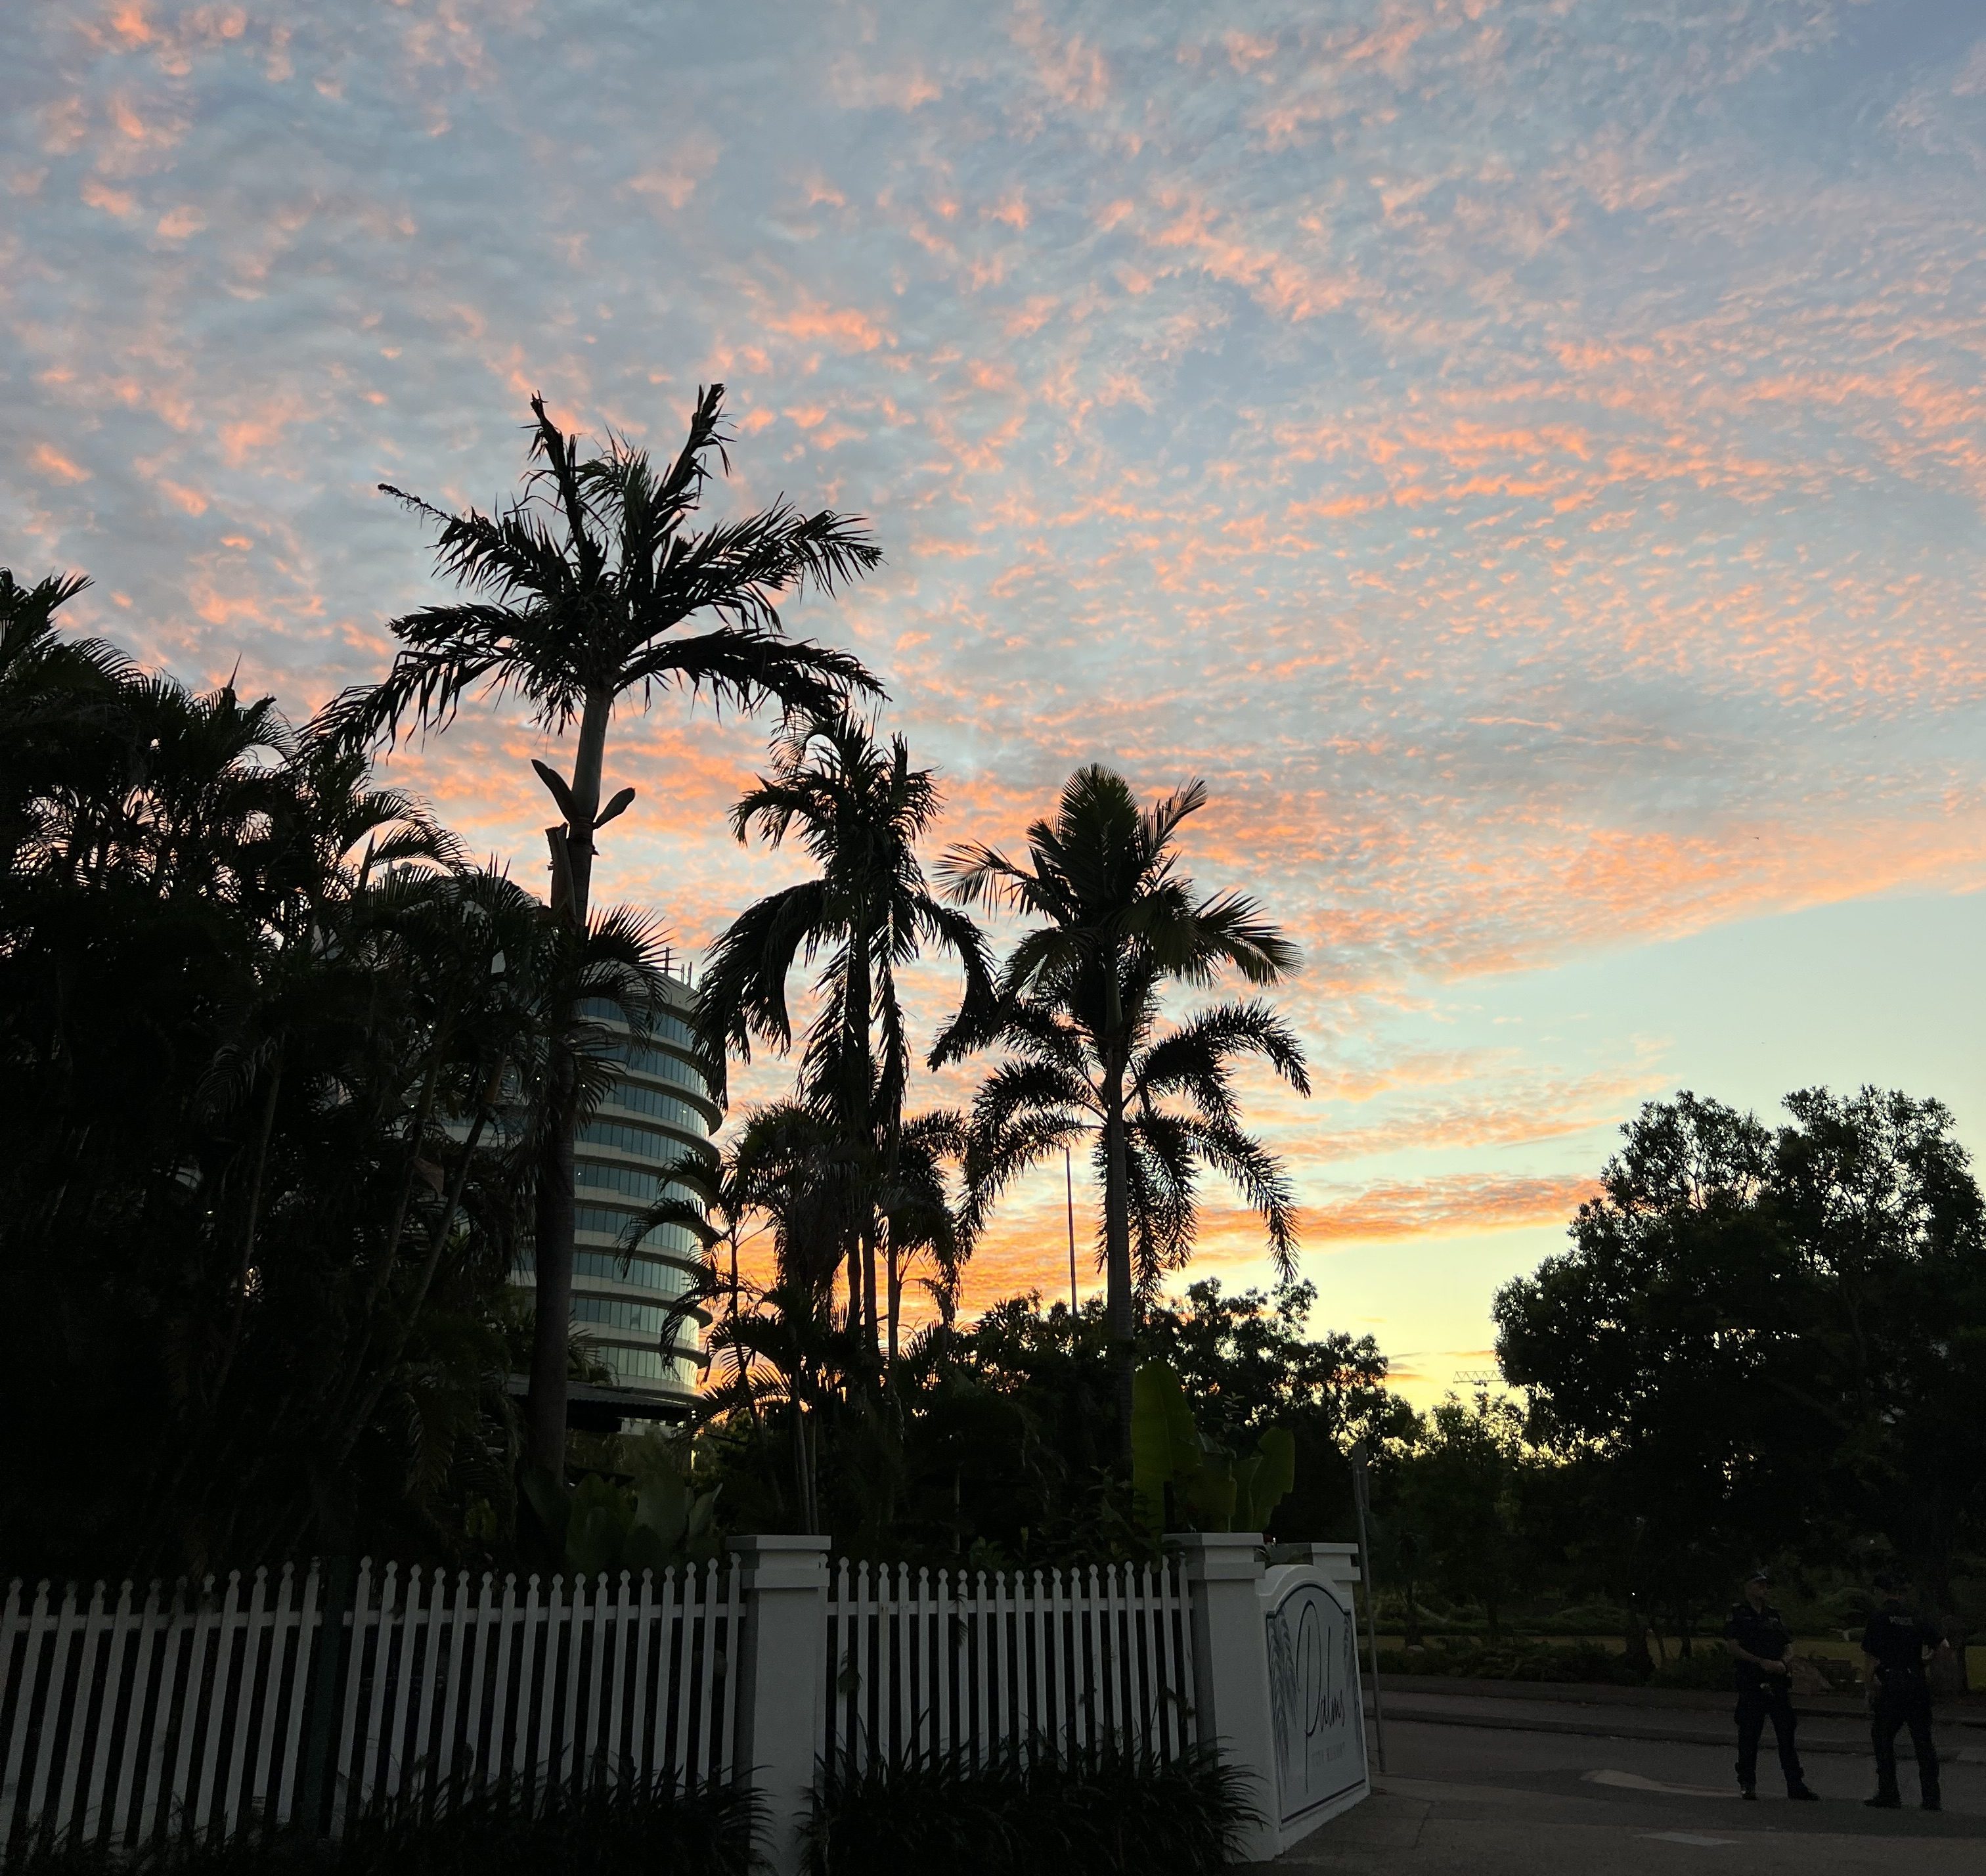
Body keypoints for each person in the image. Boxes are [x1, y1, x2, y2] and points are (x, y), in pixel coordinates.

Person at [1723, 1569, 1818, 1801]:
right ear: (1748, 1588)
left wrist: (1783, 1663)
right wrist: (1761, 1662)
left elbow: (1789, 1645)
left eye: (1766, 1585)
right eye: (1759, 1585)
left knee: (1786, 1734)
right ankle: (1748, 1782)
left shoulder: (1774, 1616)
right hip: (1752, 1681)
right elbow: (1733, 1646)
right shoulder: (1739, 1614)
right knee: (1749, 1734)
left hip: (1777, 1682)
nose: (1764, 1589)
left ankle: (1795, 1784)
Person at [1862, 1569, 1948, 1812]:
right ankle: (1931, 1797)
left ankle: (1889, 1792)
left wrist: (1870, 1687)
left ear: (1880, 1591)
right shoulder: (1916, 1616)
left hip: (1891, 1683)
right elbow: (1943, 1646)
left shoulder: (1879, 1618)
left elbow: (1871, 1657)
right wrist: (1925, 1662)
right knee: (1923, 1740)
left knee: (1883, 1737)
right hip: (1916, 1682)